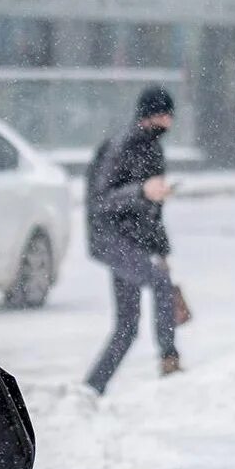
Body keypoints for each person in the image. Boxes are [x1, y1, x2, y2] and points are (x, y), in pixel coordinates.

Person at [83, 86, 182, 395]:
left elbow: (152, 212)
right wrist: (141, 191)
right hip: (111, 238)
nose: (168, 121)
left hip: (133, 241)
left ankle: (92, 387)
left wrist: (161, 249)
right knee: (161, 283)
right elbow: (101, 201)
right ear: (150, 115)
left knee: (127, 325)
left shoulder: (153, 150)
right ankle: (170, 360)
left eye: (170, 115)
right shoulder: (122, 146)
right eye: (164, 114)